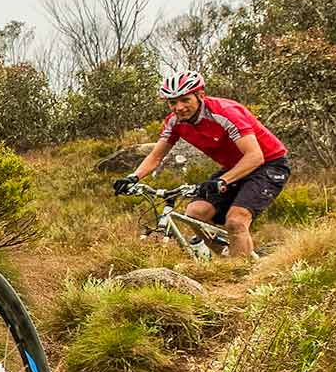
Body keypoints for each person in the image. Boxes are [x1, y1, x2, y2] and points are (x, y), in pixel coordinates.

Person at [112, 69, 290, 258]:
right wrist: (133, 177)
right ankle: (226, 260)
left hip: (269, 164)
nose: (179, 107)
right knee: (195, 213)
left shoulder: (225, 113)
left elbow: (255, 156)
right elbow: (156, 156)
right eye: (173, 102)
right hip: (235, 167)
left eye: (185, 100)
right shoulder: (174, 122)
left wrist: (222, 181)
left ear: (201, 96)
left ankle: (242, 273)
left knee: (236, 221)